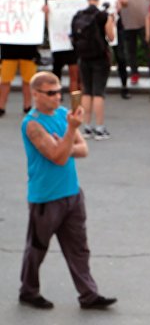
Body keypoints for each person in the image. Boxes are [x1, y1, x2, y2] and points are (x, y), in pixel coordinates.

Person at [19, 71, 116, 310]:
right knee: (37, 248)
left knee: (79, 248)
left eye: (59, 92)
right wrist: (70, 134)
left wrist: (65, 143)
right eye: (50, 93)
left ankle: (89, 294)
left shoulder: (63, 114)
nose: (57, 98)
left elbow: (83, 150)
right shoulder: (32, 124)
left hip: (71, 193)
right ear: (36, 94)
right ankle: (28, 290)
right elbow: (57, 157)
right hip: (45, 196)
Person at [75, 0, 116, 140]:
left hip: (84, 57)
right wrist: (111, 20)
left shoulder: (79, 15)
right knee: (98, 93)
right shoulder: (103, 16)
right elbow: (111, 37)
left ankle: (87, 126)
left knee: (87, 91)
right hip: (100, 57)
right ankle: (99, 127)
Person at [0, 0, 41, 117]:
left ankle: (28, 106)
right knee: (5, 79)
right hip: (8, 45)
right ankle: (1, 106)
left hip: (28, 45)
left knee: (28, 80)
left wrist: (44, 11)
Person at [87, 0, 130, 99]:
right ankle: (99, 87)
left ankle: (124, 85)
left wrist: (122, 1)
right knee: (99, 56)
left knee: (120, 55)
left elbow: (126, 0)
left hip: (116, 23)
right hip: (96, 25)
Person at [47, 0, 82, 98]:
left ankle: (78, 102)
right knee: (57, 68)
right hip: (60, 41)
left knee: (76, 74)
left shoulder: (83, 7)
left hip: (76, 44)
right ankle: (56, 96)